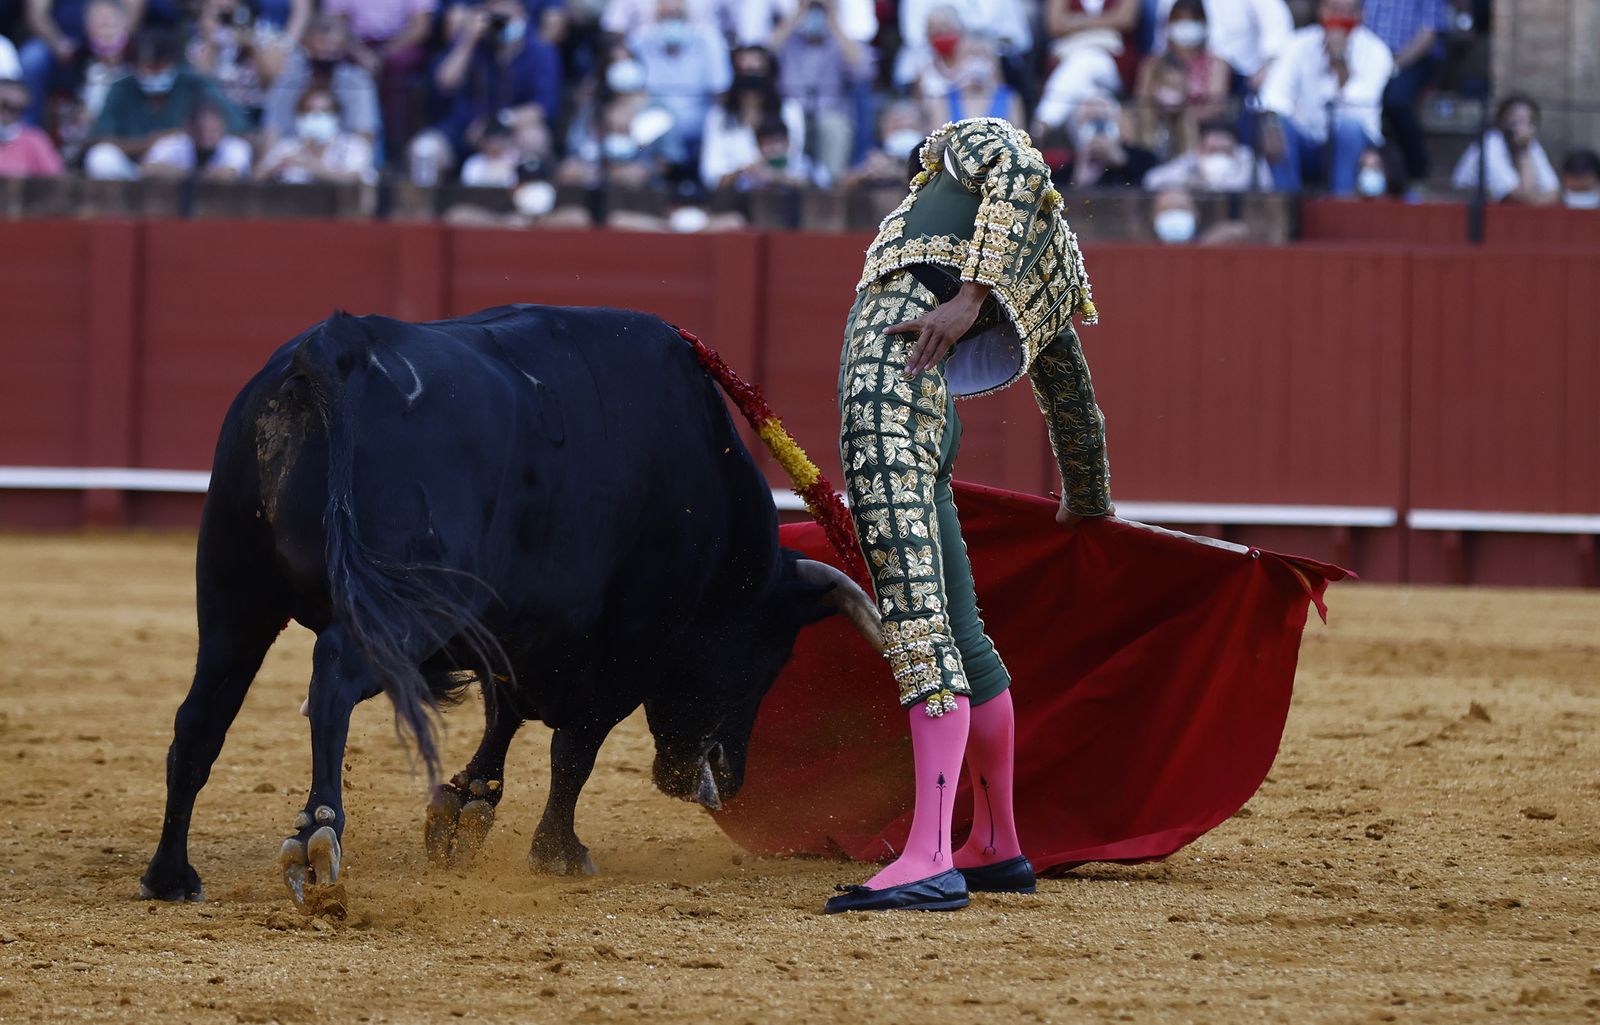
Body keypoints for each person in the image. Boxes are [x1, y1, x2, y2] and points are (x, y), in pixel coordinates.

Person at [825, 116, 1109, 913]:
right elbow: (1074, 404)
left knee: (917, 618)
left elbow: (1017, 166)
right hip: (929, 406)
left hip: (890, 384)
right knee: (962, 630)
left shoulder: (975, 139)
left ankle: (929, 854)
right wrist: (1088, 505)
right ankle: (995, 839)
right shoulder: (1049, 261)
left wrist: (968, 301)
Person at [408, 0, 562, 186]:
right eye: (495, 13)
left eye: (508, 13)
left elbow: (543, 107)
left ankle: (529, 206)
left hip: (511, 130)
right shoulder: (471, 43)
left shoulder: (540, 51)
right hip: (464, 131)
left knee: (534, 138)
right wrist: (467, 42)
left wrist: (496, 124)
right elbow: (445, 83)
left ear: (522, 13)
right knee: (424, 150)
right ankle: (424, 212)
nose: (501, 19)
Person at [1257, 0, 1393, 196]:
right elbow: (1274, 94)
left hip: (1355, 146)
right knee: (1276, 127)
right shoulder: (1299, 43)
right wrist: (1272, 124)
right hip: (1306, 142)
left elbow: (1356, 103)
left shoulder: (1376, 51)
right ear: (1321, 10)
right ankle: (1289, 210)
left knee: (1348, 129)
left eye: (1348, 11)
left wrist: (1339, 62)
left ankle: (1340, 208)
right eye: (1335, 9)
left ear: (1361, 14)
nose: (1340, 17)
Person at [83, 28, 247, 179]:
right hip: (134, 171)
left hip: (186, 164)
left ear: (172, 63)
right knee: (100, 158)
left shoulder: (194, 83)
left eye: (159, 66)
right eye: (146, 66)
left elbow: (237, 129)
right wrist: (151, 142)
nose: (152, 72)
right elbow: (99, 139)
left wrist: (190, 135)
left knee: (236, 150)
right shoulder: (122, 88)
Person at [771, 0, 866, 182]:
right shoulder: (789, 39)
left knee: (832, 126)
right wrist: (799, 13)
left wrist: (832, 19)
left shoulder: (840, 40)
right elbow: (765, 54)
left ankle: (831, 185)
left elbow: (860, 69)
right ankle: (789, 182)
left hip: (831, 111)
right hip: (792, 109)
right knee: (790, 117)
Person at [261, 12, 380, 149]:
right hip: (295, 154)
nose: (327, 51)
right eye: (321, 45)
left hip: (341, 155)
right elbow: (272, 131)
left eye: (334, 47)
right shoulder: (287, 80)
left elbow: (364, 136)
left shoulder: (357, 82)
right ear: (305, 44)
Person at [698, 45, 805, 189]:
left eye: (757, 72)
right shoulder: (718, 117)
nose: (752, 82)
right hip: (733, 198)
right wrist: (745, 171)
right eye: (746, 72)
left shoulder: (789, 111)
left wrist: (772, 174)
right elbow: (710, 176)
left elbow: (796, 168)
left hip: (780, 196)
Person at [1034, 0, 1140, 130]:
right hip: (1069, 58)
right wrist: (1104, 23)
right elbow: (1055, 24)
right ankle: (1100, 144)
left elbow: (1125, 19)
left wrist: (1076, 21)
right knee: (1089, 97)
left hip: (1114, 60)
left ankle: (1043, 123)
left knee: (1084, 61)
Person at [1450, 94, 1559, 205]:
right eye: (1517, 121)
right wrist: (1523, 152)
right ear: (1502, 121)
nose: (1523, 129)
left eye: (1529, 122)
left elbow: (1553, 191)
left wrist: (1524, 150)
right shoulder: (1491, 143)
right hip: (1464, 212)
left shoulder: (1531, 146)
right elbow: (1519, 196)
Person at [255, 86, 376, 184]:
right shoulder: (288, 147)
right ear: (298, 117)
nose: (316, 116)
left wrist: (310, 165)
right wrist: (275, 168)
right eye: (309, 111)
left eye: (324, 111)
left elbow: (354, 178)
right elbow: (256, 178)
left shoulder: (354, 146)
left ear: (337, 117)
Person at [1142, 118, 1270, 192]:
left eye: (1224, 150)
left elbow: (1240, 186)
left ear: (1235, 146)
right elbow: (1152, 180)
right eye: (1213, 150)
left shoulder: (1249, 159)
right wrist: (1187, 179)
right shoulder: (1192, 160)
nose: (1219, 156)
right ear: (1202, 147)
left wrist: (1205, 182)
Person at [141, 98, 251, 179]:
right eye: (201, 129)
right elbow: (148, 168)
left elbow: (228, 174)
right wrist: (196, 175)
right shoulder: (176, 143)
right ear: (190, 128)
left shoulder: (236, 146)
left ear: (223, 127)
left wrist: (184, 174)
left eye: (212, 129)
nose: (206, 135)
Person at [0, 73, 66, 175]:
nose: (6, 114)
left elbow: (56, 180)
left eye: (14, 109)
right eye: (3, 106)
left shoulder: (35, 140)